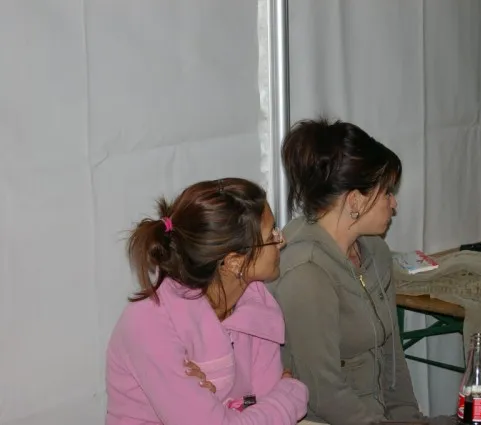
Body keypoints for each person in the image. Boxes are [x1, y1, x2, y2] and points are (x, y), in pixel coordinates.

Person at [106, 178, 308, 425]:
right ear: (234, 262)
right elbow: (270, 404)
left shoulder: (256, 304)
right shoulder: (149, 323)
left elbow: (263, 404)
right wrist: (292, 395)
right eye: (271, 234)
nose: (281, 240)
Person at [269, 119, 427, 425]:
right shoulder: (305, 274)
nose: (393, 203)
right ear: (355, 200)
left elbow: (393, 360)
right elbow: (323, 394)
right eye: (386, 192)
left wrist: (411, 420)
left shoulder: (375, 253)